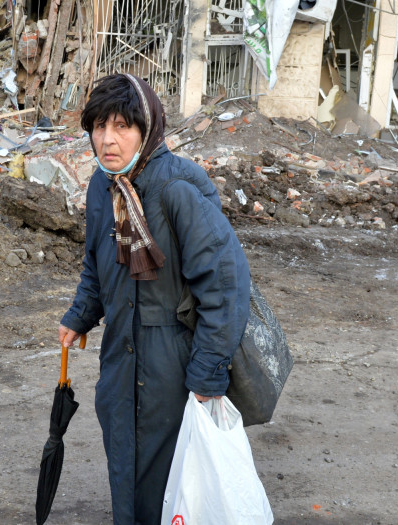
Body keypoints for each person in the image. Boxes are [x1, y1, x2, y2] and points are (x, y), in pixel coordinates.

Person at [57, 74, 251, 524]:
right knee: (128, 468)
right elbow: (96, 265)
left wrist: (206, 375)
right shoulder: (105, 188)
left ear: (147, 130)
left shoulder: (175, 189)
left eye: (122, 126)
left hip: (172, 365)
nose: (107, 140)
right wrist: (80, 315)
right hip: (121, 358)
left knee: (171, 484)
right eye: (99, 126)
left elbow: (225, 286)